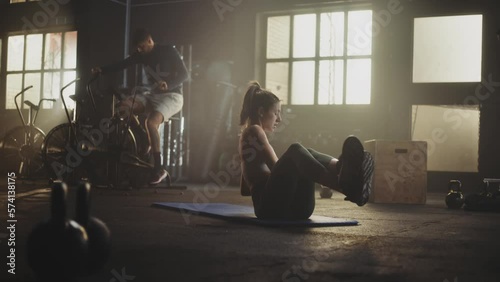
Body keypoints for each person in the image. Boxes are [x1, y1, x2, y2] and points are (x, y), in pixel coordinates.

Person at [239, 81, 374, 220]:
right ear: (261, 112)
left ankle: (342, 168)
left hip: (289, 208)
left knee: (305, 152)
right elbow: (276, 168)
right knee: (295, 150)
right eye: (276, 113)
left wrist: (258, 180)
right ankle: (345, 186)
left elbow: (245, 190)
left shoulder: (248, 137)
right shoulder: (255, 131)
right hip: (271, 209)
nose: (279, 119)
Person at [92, 28, 189, 185]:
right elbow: (123, 64)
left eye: (142, 46)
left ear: (150, 41)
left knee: (151, 123)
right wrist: (102, 70)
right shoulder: (141, 55)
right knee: (124, 107)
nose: (139, 50)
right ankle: (145, 139)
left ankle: (159, 168)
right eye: (137, 48)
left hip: (173, 96)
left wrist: (169, 84)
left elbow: (185, 74)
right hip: (152, 95)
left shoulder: (169, 51)